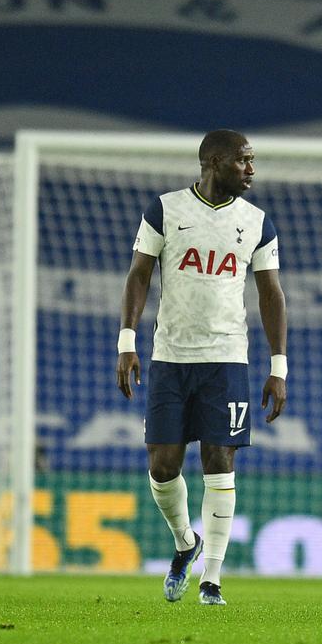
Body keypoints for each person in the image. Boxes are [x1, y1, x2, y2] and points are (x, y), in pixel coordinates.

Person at [116, 129, 288, 606]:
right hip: (170, 357)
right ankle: (184, 543)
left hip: (227, 358)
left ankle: (211, 579)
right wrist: (126, 341)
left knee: (220, 460)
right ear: (214, 162)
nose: (252, 170)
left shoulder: (256, 223)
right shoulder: (166, 210)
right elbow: (139, 274)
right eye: (243, 161)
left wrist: (279, 365)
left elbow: (271, 294)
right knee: (163, 465)